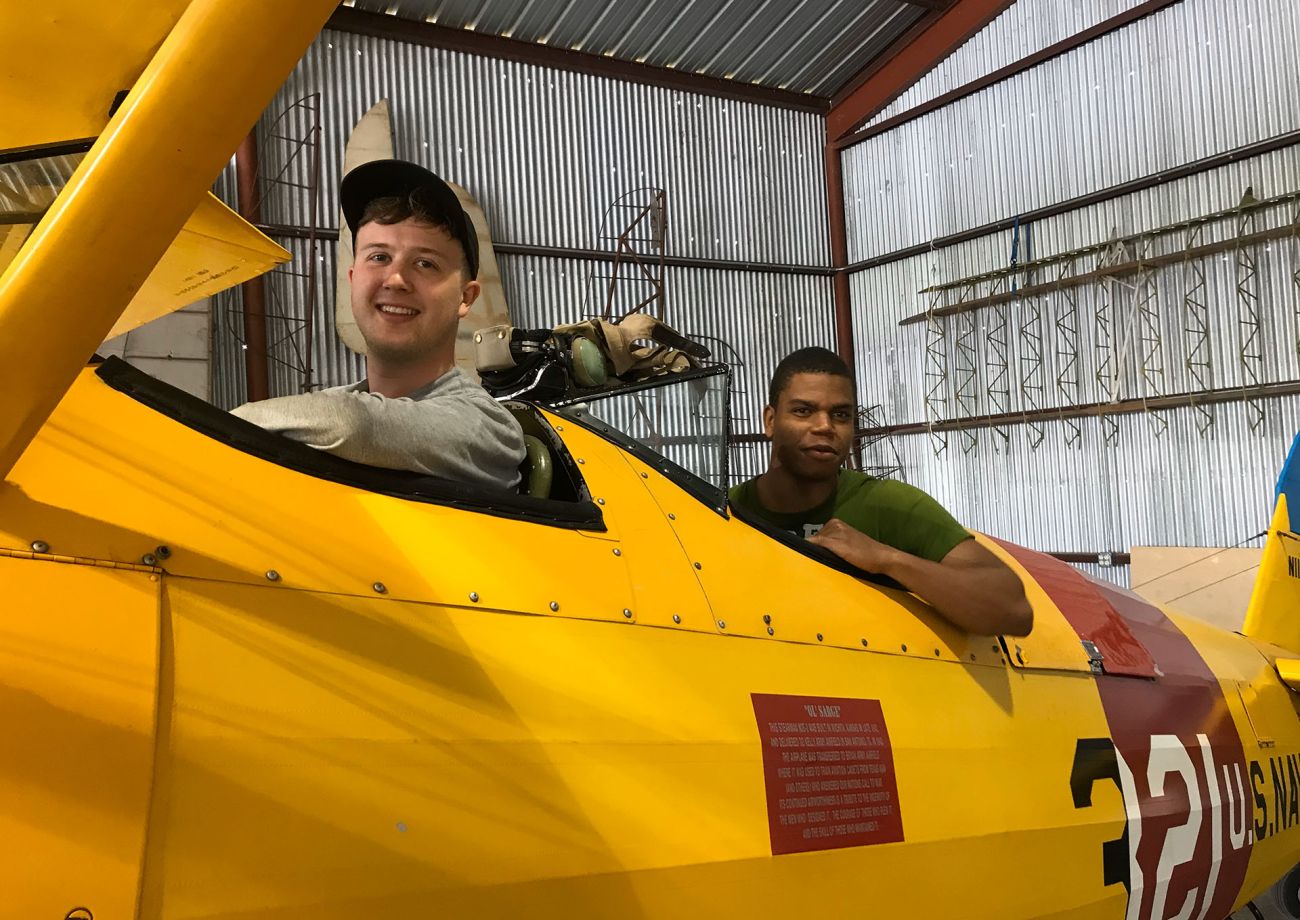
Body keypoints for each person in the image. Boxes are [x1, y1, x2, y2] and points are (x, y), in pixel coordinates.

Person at [232, 159, 525, 490]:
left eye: (425, 263)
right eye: (379, 257)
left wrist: (221, 427)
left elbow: (352, 424)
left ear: (465, 298)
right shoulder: (315, 415)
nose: (397, 278)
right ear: (353, 280)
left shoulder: (489, 428)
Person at [729, 347, 1032, 636]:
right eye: (803, 411)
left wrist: (885, 559)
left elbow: (1014, 610)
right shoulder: (723, 510)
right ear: (770, 420)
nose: (824, 426)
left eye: (841, 415)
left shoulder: (888, 505)